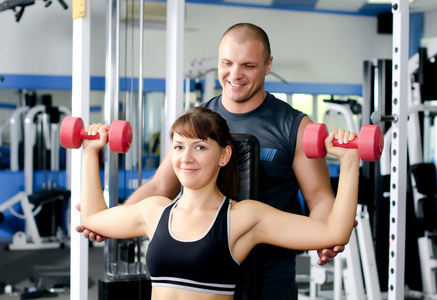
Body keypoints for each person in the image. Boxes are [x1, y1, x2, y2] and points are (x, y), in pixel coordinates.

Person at [76, 23, 354, 299]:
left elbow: (319, 199)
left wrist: (322, 236)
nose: (235, 74)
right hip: (202, 265)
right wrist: (111, 220)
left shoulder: (294, 126)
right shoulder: (200, 120)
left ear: (268, 65)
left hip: (269, 274)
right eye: (227, 63)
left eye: (248, 65)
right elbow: (160, 185)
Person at [80, 107, 360, 300]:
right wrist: (90, 152)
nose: (186, 158)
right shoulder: (154, 211)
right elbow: (93, 217)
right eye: (179, 147)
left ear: (224, 156)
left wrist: (349, 161)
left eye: (200, 147)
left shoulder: (243, 217)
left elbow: (334, 232)